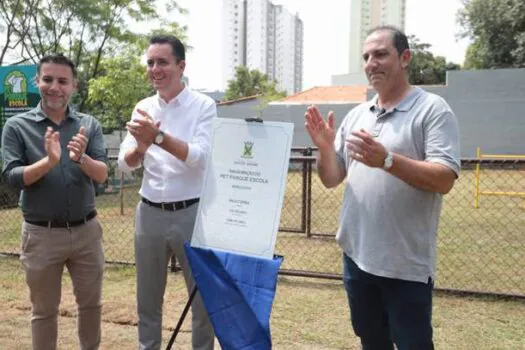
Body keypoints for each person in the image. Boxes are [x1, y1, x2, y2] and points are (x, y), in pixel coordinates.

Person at [305, 26, 460, 350]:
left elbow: (444, 178)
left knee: (412, 344)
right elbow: (332, 178)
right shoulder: (358, 115)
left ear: (405, 58)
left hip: (404, 266)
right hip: (357, 258)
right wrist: (324, 148)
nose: (371, 63)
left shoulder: (431, 109)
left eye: (380, 54)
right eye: (366, 57)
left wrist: (387, 160)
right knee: (371, 341)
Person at [1, 54, 108, 349]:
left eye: (63, 81)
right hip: (41, 234)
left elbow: (102, 175)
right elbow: (12, 178)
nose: (54, 87)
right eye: (48, 79)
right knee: (44, 312)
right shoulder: (17, 126)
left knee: (91, 306)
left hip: (86, 233)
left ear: (74, 86)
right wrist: (49, 161)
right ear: (37, 82)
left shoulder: (89, 125)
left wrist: (81, 158)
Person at [117, 35, 216, 350]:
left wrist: (158, 138)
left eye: (162, 62)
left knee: (202, 299)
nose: (154, 69)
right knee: (147, 298)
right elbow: (125, 163)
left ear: (181, 65)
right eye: (150, 62)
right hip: (149, 213)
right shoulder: (143, 107)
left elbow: (200, 157)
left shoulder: (203, 105)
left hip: (191, 213)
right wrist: (142, 148)